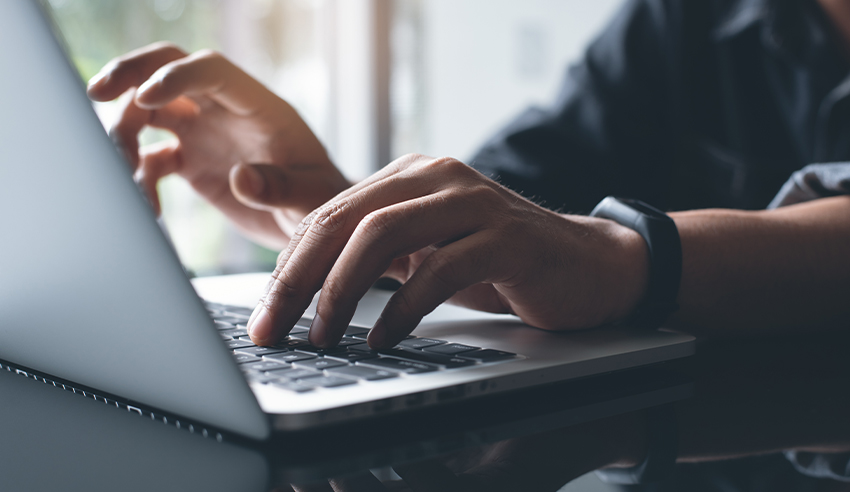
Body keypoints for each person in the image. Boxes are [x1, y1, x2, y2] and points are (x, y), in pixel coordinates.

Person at [86, 0, 850, 486]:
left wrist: (616, 257)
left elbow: (567, 248)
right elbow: (509, 219)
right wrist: (327, 204)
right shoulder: (682, 19)